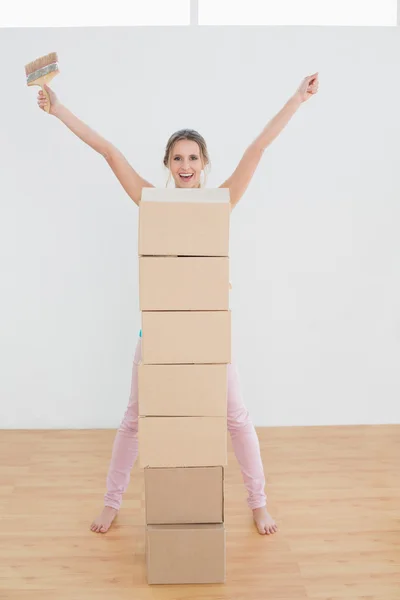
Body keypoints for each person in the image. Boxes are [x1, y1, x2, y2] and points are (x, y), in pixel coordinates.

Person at [37, 72, 319, 536]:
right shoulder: (152, 201)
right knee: (134, 419)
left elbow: (256, 150)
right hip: (160, 333)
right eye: (177, 158)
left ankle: (258, 504)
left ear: (204, 162)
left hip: (208, 333)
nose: (185, 165)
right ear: (167, 164)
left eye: (192, 157)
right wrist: (59, 109)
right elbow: (110, 152)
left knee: (236, 418)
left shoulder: (221, 201)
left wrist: (295, 99)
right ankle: (111, 502)